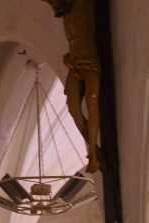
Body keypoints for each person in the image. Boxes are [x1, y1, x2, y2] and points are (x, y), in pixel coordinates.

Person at [44, 0, 102, 173]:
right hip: (74, 63)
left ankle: (92, 153)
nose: (55, 8)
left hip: (90, 61)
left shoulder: (82, 4)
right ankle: (95, 150)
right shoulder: (65, 13)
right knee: (73, 108)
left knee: (92, 102)